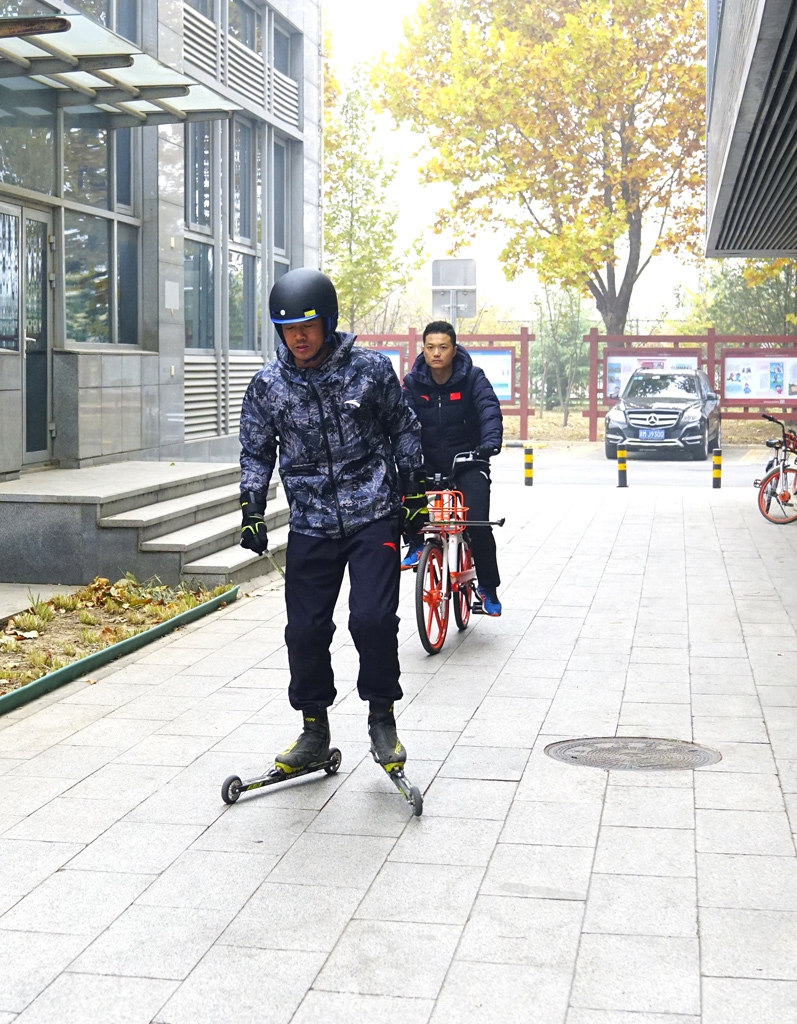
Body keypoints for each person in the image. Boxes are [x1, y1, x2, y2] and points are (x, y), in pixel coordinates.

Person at [238, 268, 427, 775]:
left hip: (373, 516)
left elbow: (403, 429)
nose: (298, 337)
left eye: (307, 325)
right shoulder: (267, 387)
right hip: (311, 524)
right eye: (287, 328)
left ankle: (382, 718)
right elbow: (256, 451)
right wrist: (251, 509)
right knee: (303, 630)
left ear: (328, 321)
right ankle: (314, 730)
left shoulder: (370, 371)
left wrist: (413, 496)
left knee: (371, 620)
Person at [402, 320, 504, 616]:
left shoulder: (473, 378)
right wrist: (405, 455)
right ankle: (415, 544)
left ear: (454, 349)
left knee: (477, 525)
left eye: (443, 347)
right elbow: (402, 420)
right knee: (403, 487)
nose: (436, 353)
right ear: (423, 349)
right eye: (430, 347)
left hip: (468, 462)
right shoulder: (412, 384)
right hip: (427, 462)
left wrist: (489, 444)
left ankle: (487, 586)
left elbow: (488, 410)